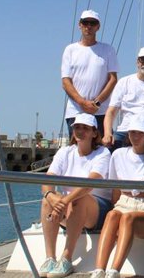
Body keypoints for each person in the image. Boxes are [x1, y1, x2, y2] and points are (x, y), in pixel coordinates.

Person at [90, 114, 144, 278]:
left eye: (140, 133)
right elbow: (115, 190)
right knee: (112, 215)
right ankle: (99, 270)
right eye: (132, 132)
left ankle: (114, 271)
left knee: (128, 219)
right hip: (123, 203)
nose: (135, 136)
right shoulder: (118, 155)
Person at [39, 113, 112, 278]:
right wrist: (52, 197)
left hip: (96, 209)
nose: (80, 131)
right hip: (67, 207)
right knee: (46, 200)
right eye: (77, 127)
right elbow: (48, 178)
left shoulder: (103, 153)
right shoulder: (65, 152)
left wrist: (64, 201)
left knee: (80, 198)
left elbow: (90, 184)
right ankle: (50, 257)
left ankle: (67, 257)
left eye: (85, 128)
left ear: (94, 133)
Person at [61, 10, 118, 137]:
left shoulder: (108, 50)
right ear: (79, 25)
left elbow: (113, 79)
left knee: (103, 149)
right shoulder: (70, 50)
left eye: (93, 23)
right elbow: (66, 81)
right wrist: (82, 103)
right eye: (85, 22)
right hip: (75, 112)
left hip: (101, 112)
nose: (89, 26)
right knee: (77, 150)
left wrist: (96, 103)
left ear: (98, 26)